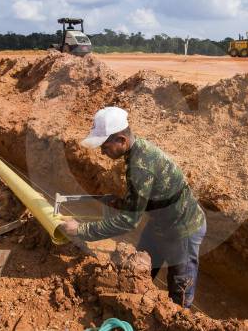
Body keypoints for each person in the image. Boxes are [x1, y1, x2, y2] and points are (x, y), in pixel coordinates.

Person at [60, 107, 207, 308]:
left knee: (179, 294)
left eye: (104, 145)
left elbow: (129, 222)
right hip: (161, 222)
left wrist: (81, 230)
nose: (102, 151)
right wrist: (121, 203)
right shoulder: (137, 151)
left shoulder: (140, 165)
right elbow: (145, 198)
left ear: (122, 140)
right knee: (137, 270)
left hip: (183, 229)